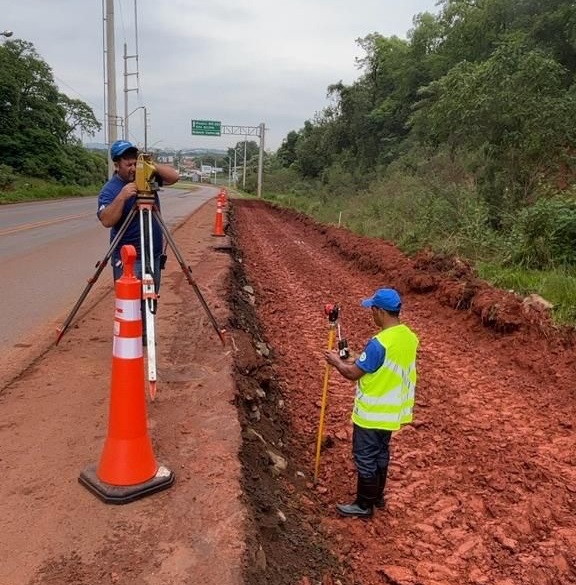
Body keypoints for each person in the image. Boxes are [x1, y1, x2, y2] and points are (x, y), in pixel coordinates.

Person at [323, 288, 419, 518]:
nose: (371, 315)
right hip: (392, 412)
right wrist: (357, 355)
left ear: (381, 312)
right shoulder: (408, 337)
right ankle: (377, 497)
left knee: (365, 457)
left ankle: (364, 505)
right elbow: (380, 363)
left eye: (373, 311)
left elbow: (353, 373)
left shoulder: (379, 343)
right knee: (381, 454)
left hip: (372, 413)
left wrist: (336, 362)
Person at [97, 140, 180, 339]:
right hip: (129, 259)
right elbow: (107, 221)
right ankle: (129, 339)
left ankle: (145, 336)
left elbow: (175, 177)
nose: (134, 168)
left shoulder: (147, 178)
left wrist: (150, 165)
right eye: (129, 164)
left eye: (136, 163)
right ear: (117, 165)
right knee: (130, 302)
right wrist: (122, 197)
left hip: (153, 254)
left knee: (150, 299)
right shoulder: (111, 189)